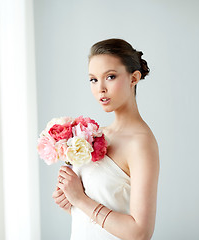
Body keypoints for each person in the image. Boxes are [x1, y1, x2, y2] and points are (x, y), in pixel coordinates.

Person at [52, 38, 160, 240]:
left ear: (133, 78)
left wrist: (80, 199)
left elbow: (140, 233)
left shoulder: (141, 143)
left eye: (110, 77)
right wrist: (70, 202)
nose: (100, 88)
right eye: (93, 79)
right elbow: (100, 214)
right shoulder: (95, 135)